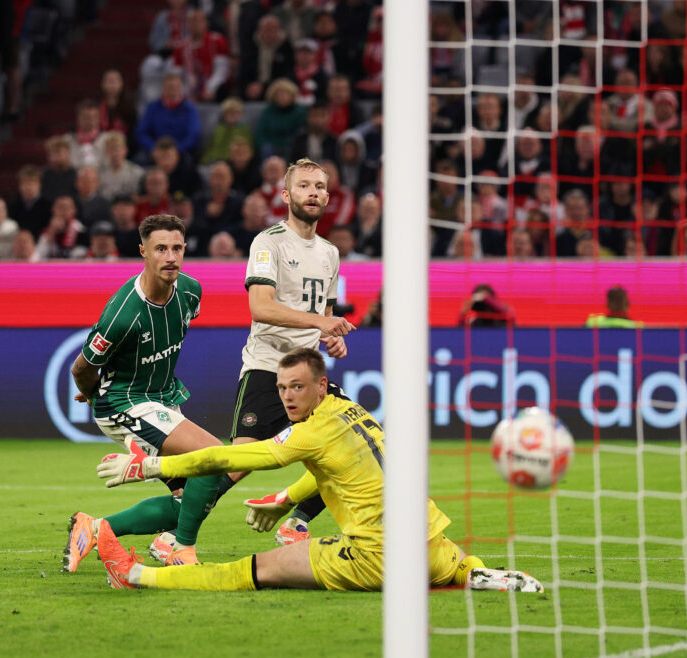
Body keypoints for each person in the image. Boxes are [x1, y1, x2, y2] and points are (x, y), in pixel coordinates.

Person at [94, 348, 543, 593]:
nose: (288, 398)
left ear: (320, 386)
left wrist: (151, 464)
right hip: (433, 547)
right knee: (451, 563)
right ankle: (477, 573)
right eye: (282, 388)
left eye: (298, 388)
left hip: (378, 559)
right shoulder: (352, 411)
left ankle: (134, 575)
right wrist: (287, 500)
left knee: (255, 570)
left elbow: (223, 458)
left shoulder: (308, 434)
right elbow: (333, 470)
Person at [62, 214, 228, 570]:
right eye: (161, 249)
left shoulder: (190, 292)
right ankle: (182, 549)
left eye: (177, 248)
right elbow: (81, 367)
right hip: (125, 403)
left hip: (162, 398)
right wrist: (93, 396)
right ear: (143, 252)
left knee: (194, 496)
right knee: (213, 456)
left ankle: (95, 527)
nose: (170, 257)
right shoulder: (122, 314)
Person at [229, 158, 355, 546]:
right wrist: (319, 323)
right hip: (268, 367)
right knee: (238, 465)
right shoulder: (269, 243)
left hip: (308, 373)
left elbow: (326, 316)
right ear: (286, 195)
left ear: (328, 197)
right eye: (303, 186)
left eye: (319, 186)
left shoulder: (330, 253)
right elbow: (261, 307)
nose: (312, 192)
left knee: (352, 442)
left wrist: (332, 335)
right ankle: (177, 534)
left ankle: (295, 521)